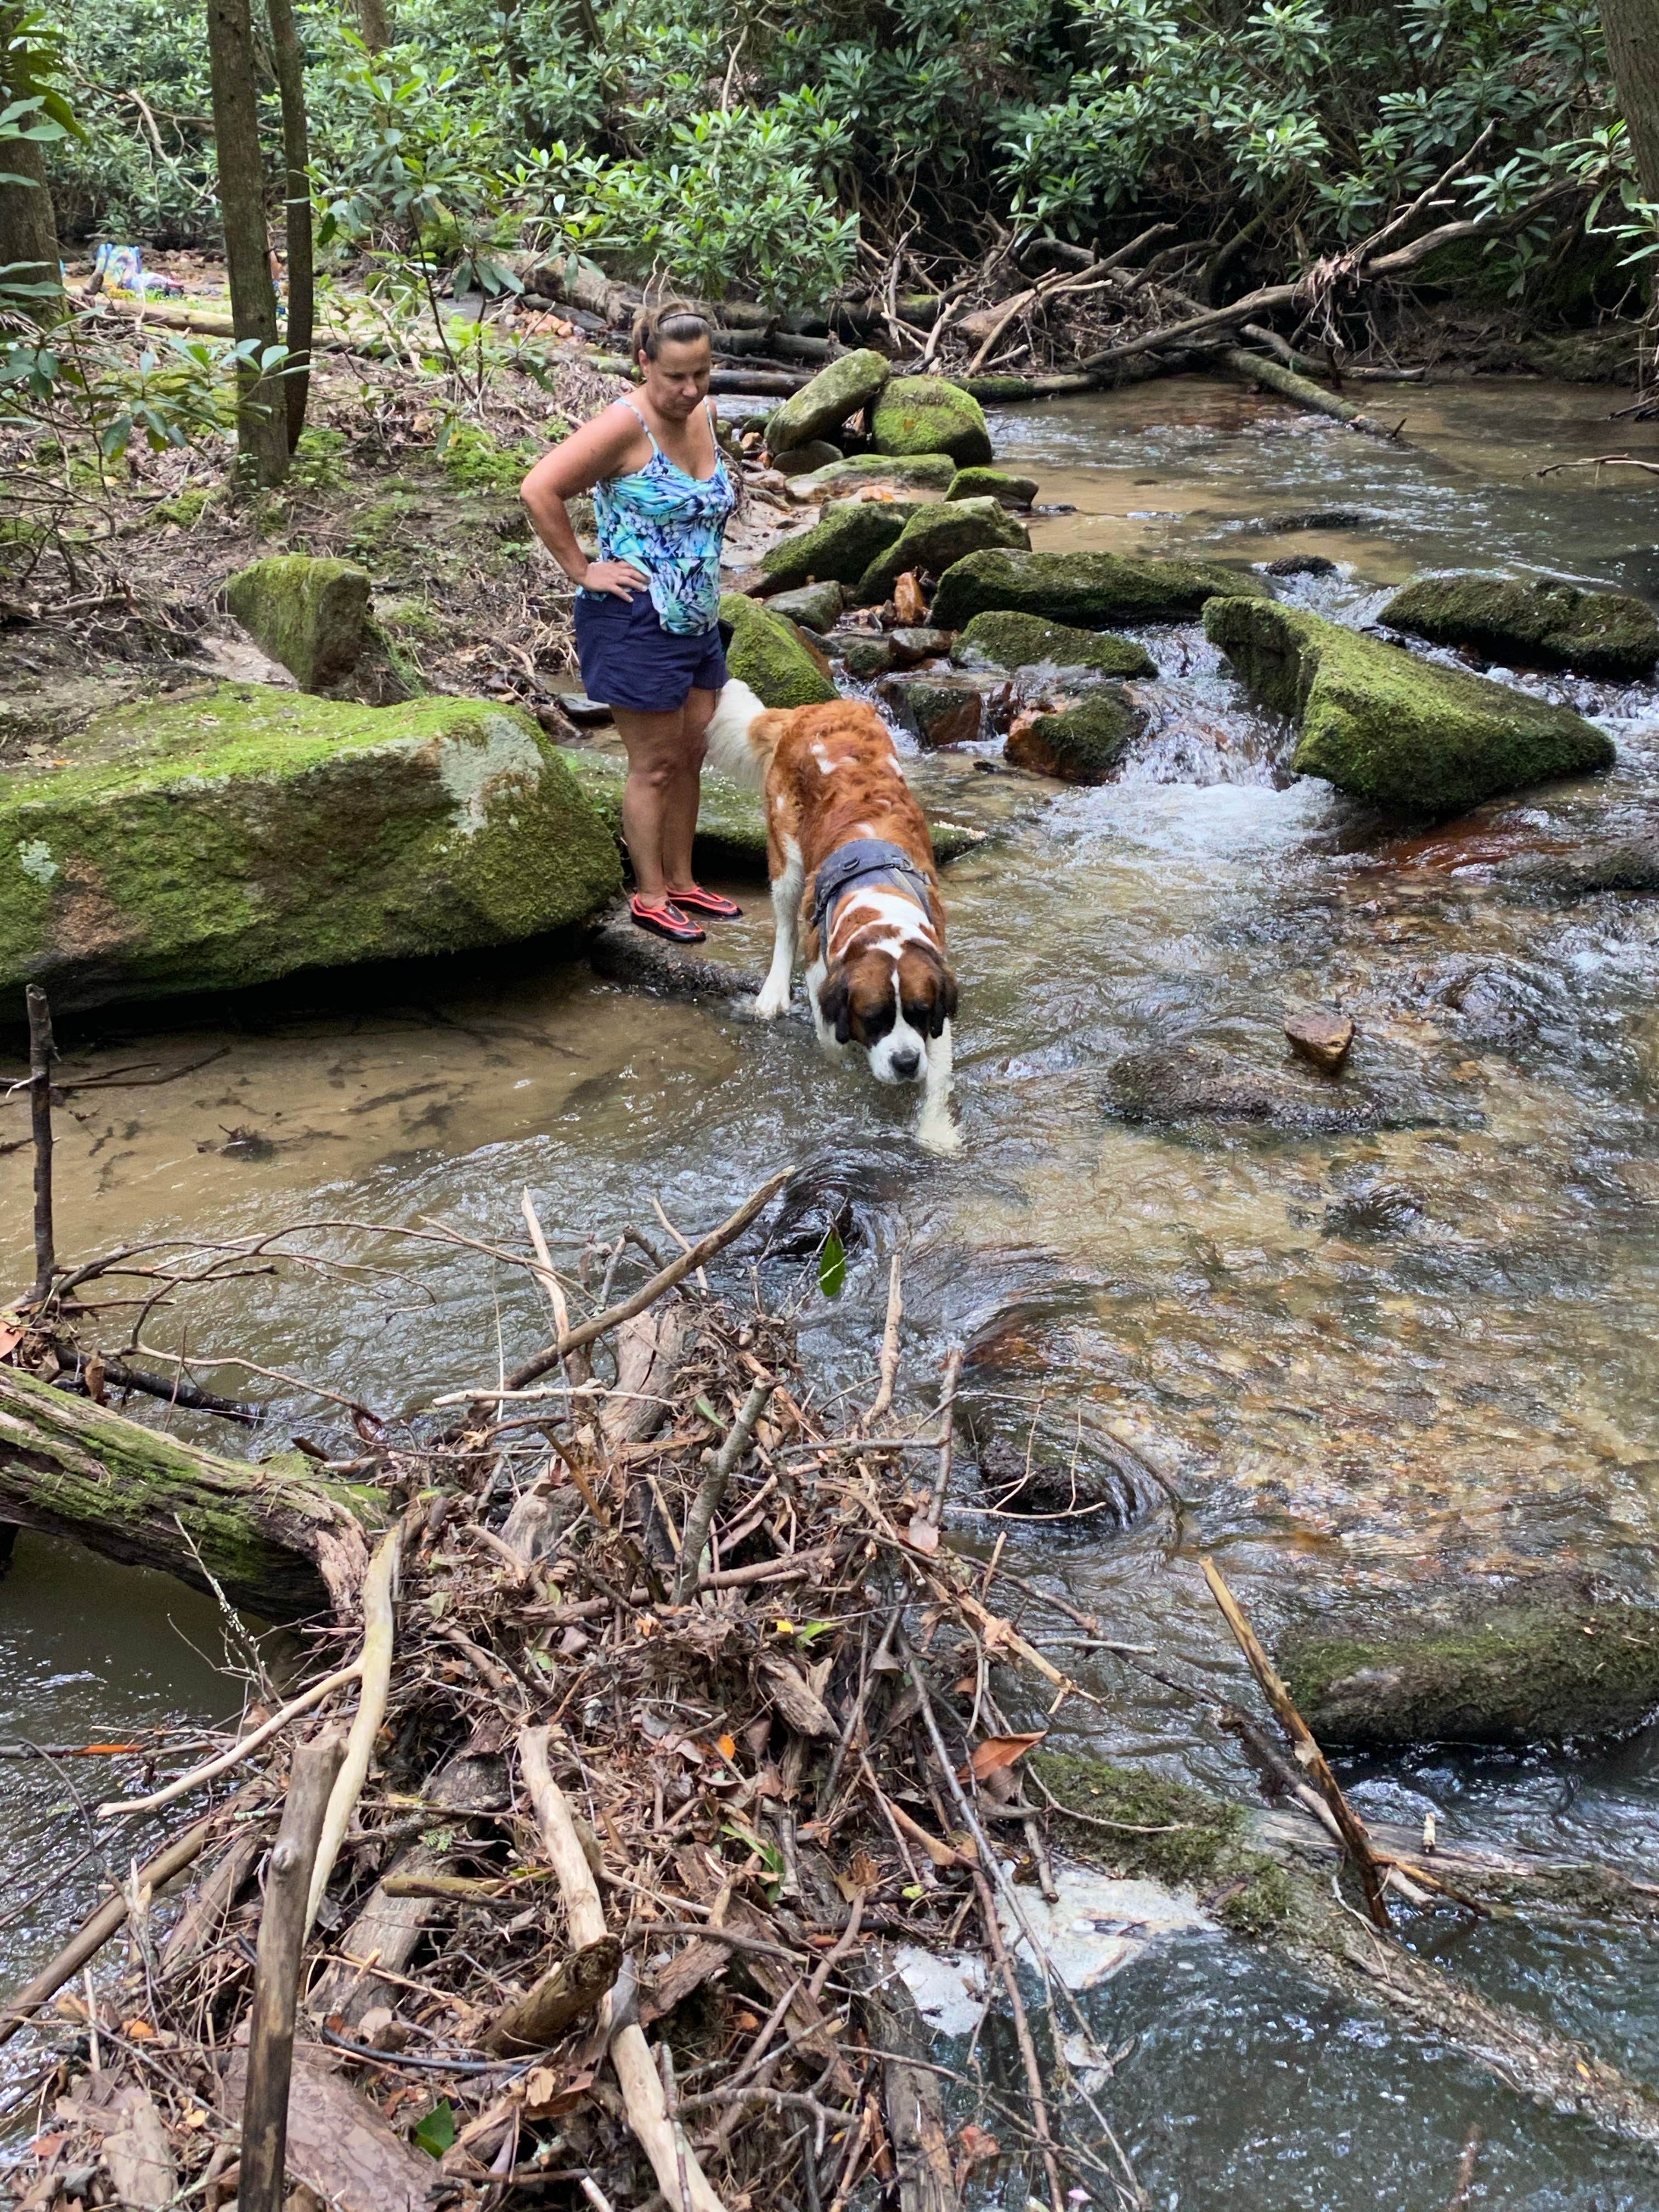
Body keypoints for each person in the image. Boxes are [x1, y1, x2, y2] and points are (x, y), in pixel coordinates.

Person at [521, 302, 741, 944]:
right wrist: (582, 568)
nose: (690, 389)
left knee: (692, 751)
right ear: (644, 362)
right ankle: (648, 895)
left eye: (701, 372)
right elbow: (540, 488)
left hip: (698, 617)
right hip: (635, 618)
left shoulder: (705, 411)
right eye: (675, 376)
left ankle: (683, 880)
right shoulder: (624, 426)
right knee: (654, 764)